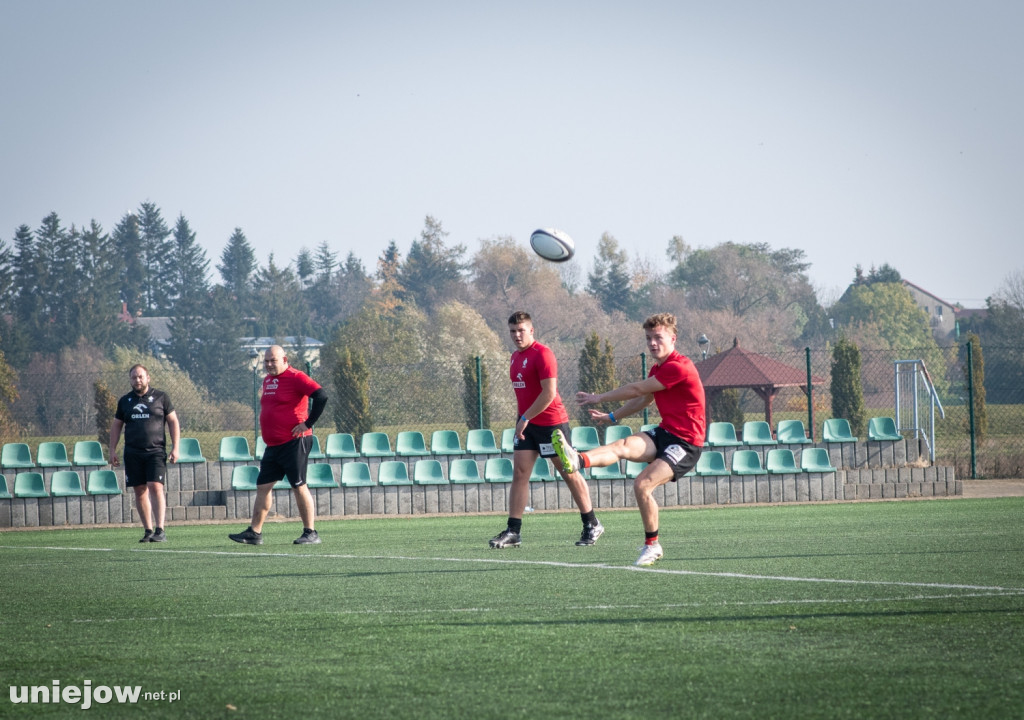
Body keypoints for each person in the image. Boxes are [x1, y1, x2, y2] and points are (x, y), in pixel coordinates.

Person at [551, 313, 706, 566]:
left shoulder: (680, 366)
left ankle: (652, 545)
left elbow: (637, 389)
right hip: (666, 433)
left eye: (658, 337)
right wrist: (613, 416)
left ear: (673, 338)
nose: (652, 343)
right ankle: (578, 460)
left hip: (686, 443)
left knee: (642, 485)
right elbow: (644, 399)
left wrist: (599, 397)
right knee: (622, 445)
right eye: (648, 338)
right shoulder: (659, 368)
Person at [489, 311, 604, 549]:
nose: (516, 335)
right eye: (512, 331)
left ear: (531, 330)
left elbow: (548, 393)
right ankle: (513, 531)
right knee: (520, 474)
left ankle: (592, 524)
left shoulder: (543, 354)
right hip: (527, 425)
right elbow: (524, 395)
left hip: (552, 425)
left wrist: (525, 418)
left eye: (521, 330)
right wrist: (522, 421)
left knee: (568, 472)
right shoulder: (514, 357)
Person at [229, 345, 329, 546]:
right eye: (266, 361)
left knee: (299, 485)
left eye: (273, 360)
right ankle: (254, 533)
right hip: (273, 445)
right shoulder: (267, 380)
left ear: (285, 359)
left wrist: (307, 424)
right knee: (263, 486)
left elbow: (321, 396)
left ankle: (311, 532)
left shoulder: (296, 377)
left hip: (295, 441)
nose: (268, 364)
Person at [109, 364, 181, 543]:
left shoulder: (161, 397)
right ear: (130, 380)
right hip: (132, 452)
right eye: (134, 377)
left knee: (156, 486)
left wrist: (175, 447)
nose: (137, 380)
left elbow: (173, 422)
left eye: (140, 376)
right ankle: (148, 531)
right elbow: (117, 425)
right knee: (139, 490)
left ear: (148, 378)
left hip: (155, 451)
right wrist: (112, 450)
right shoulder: (125, 401)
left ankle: (160, 530)